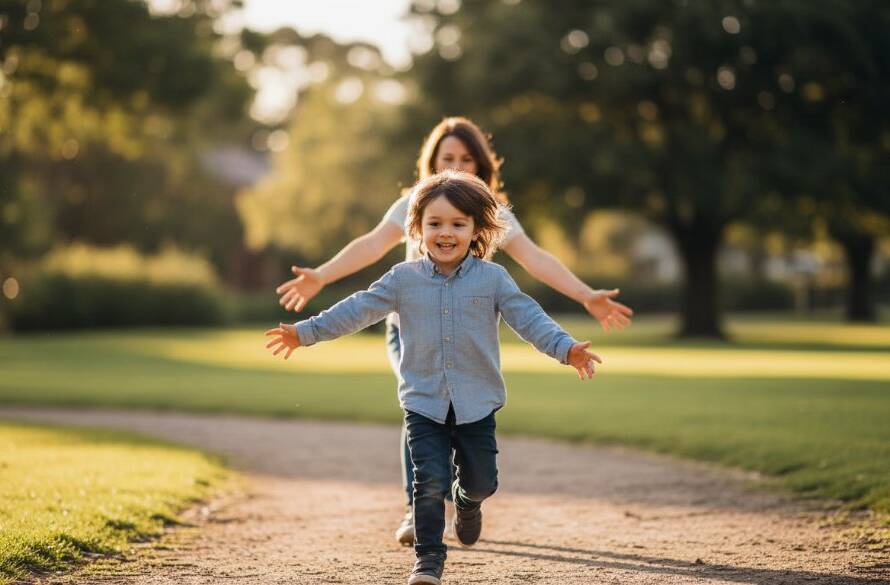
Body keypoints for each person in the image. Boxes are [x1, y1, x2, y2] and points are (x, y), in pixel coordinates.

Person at [275, 116, 632, 545]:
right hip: (410, 328)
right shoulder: (411, 203)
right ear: (430, 162)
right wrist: (321, 276)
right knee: (422, 407)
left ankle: (464, 498)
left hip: (465, 331)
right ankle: (420, 508)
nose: (457, 167)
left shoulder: (490, 209)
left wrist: (585, 295)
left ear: (482, 166)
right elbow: (371, 244)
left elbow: (534, 257)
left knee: (459, 419)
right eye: (447, 158)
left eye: (467, 159)